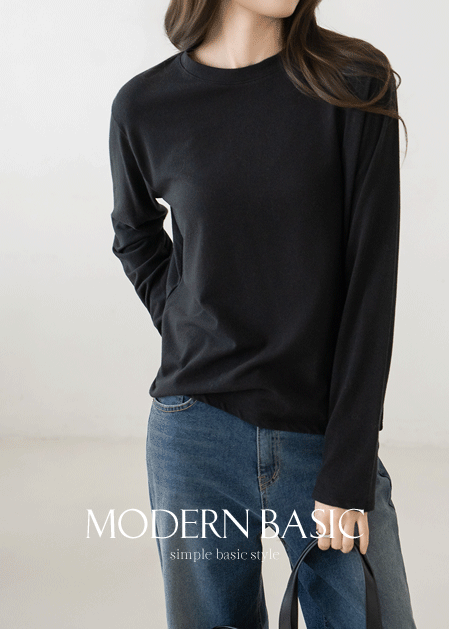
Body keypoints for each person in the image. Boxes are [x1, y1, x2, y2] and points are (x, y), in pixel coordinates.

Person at [108, 0, 418, 626]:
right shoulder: (144, 106)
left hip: (322, 432)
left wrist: (348, 469)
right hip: (195, 432)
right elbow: (134, 233)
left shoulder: (354, 84)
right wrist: (183, 321)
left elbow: (371, 282)